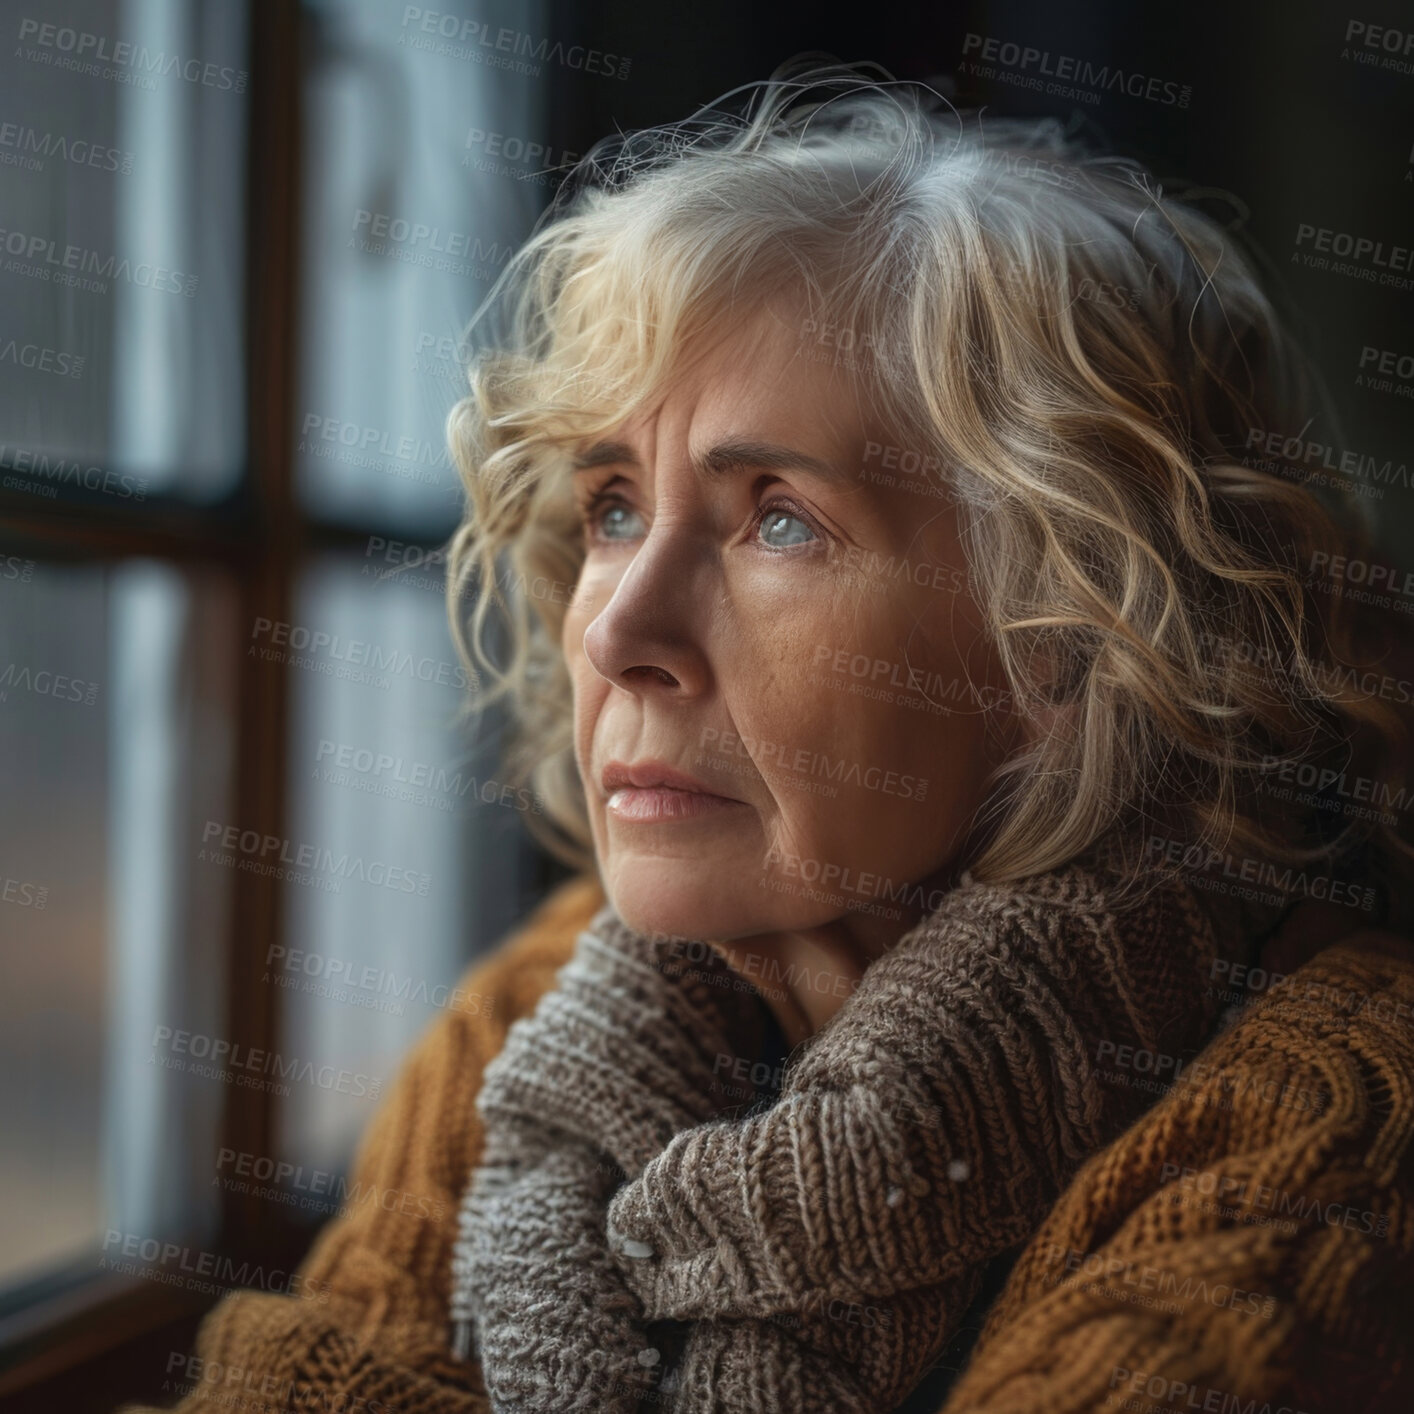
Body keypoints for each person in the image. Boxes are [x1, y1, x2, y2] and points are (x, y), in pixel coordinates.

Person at [123, 60, 1414, 1414]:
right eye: (614, 506)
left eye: (778, 518)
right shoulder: (542, 1008)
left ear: (1071, 634)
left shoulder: (1330, 1107)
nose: (617, 625)